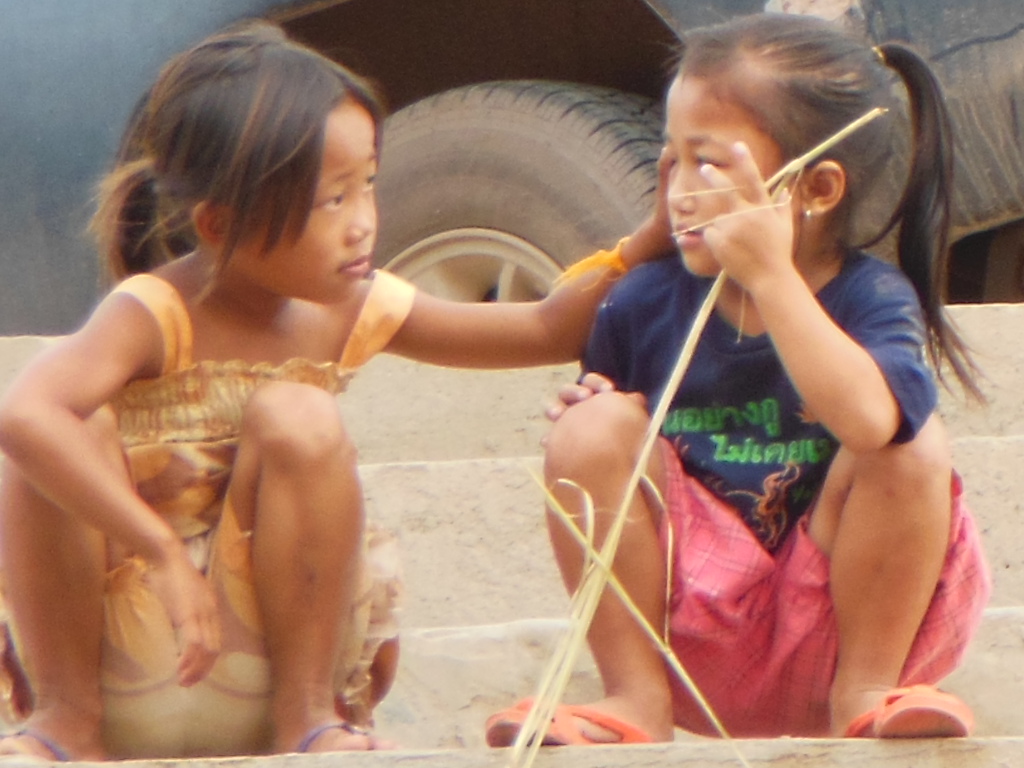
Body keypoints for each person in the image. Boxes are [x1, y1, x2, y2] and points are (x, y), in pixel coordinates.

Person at [0, 22, 671, 761]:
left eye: (368, 185)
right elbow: (23, 413)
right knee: (58, 432)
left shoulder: (351, 306)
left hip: (259, 664)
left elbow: (545, 329)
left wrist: (651, 236)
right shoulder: (153, 312)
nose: (363, 225)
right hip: (126, 653)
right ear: (219, 225)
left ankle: (309, 719)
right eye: (331, 201)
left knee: (300, 413)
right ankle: (64, 722)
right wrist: (157, 549)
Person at [485, 12, 991, 746]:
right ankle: (634, 698)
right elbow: (615, 460)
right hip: (696, 631)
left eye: (709, 163)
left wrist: (771, 276)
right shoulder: (642, 302)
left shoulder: (871, 298)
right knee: (589, 427)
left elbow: (871, 424)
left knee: (912, 441)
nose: (679, 190)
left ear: (817, 189)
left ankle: (867, 695)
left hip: (840, 625)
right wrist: (589, 417)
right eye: (671, 159)